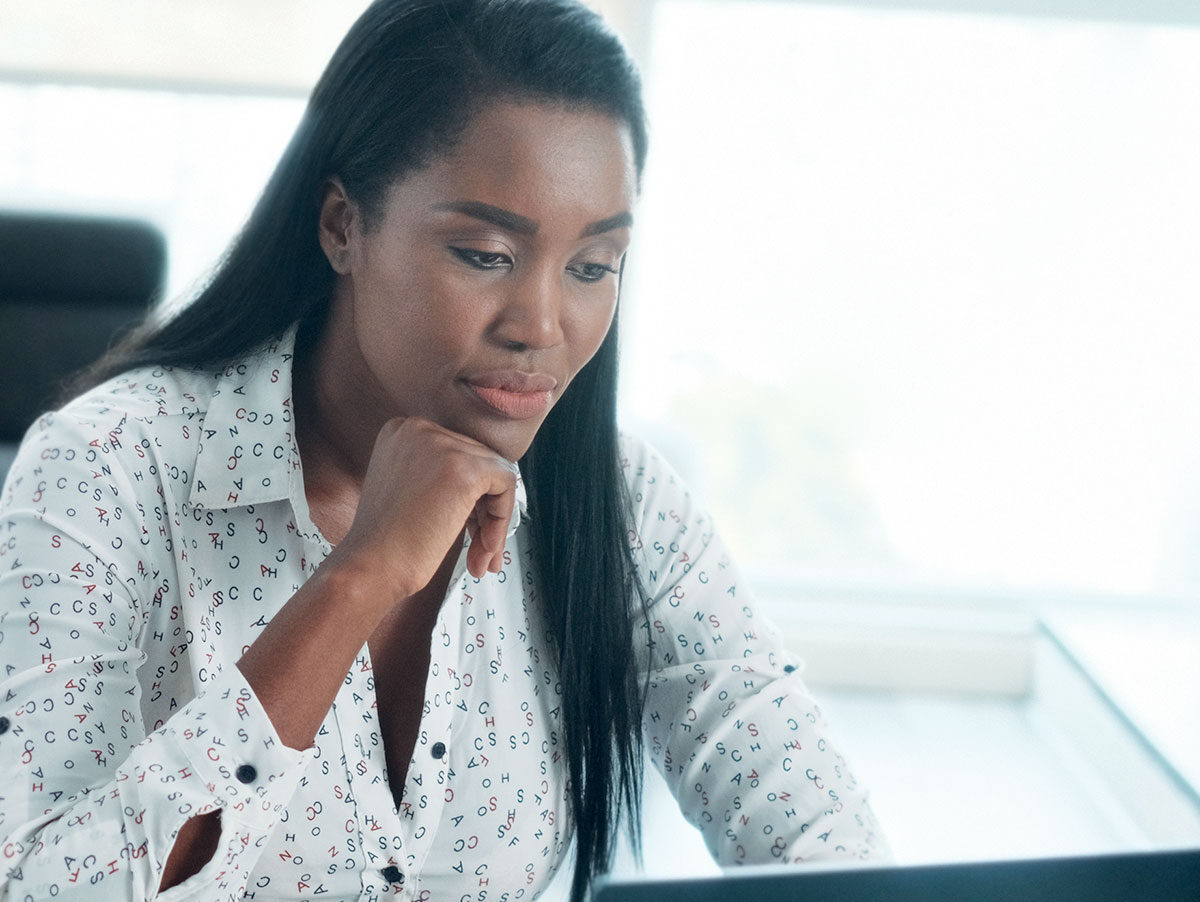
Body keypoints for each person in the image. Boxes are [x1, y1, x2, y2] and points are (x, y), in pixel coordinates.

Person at [0, 1, 889, 899]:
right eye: (486, 253)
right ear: (344, 225)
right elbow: (44, 888)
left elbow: (818, 833)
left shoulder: (622, 503)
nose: (541, 326)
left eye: (592, 267)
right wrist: (360, 577)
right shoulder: (107, 466)